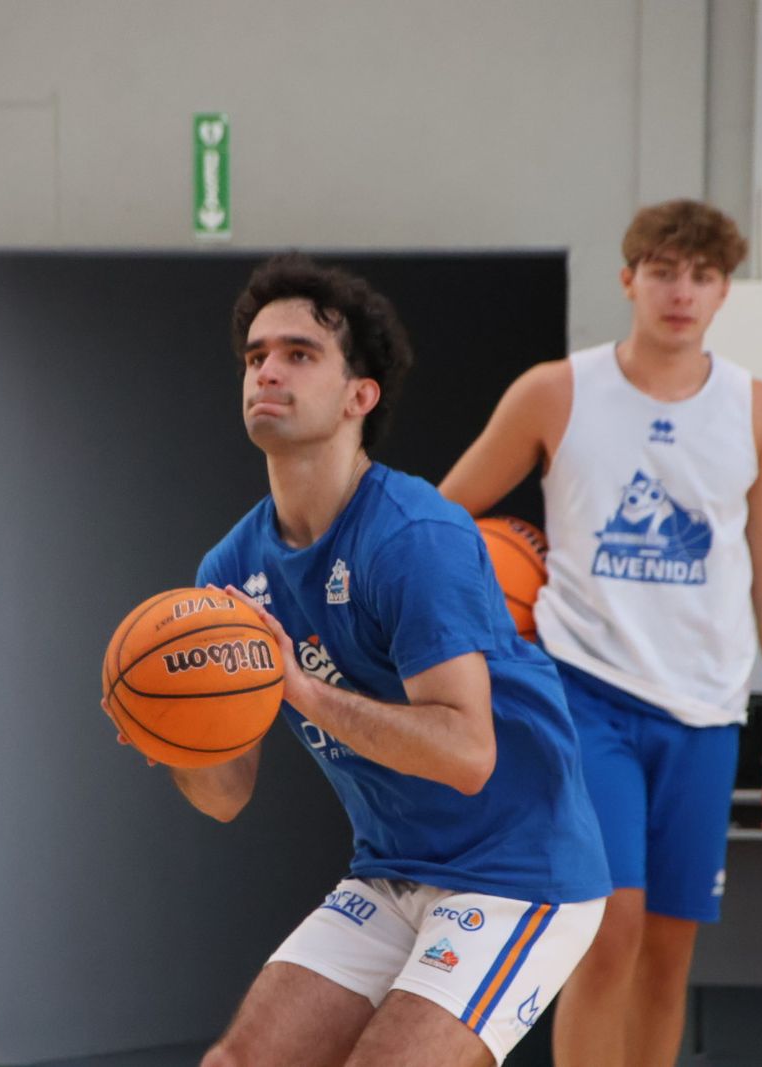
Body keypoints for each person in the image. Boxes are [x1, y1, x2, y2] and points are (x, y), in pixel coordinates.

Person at [111, 252, 611, 1067]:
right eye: (256, 355)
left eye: (299, 354)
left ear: (358, 396)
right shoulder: (229, 574)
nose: (268, 370)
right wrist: (174, 735)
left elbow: (467, 753)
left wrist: (299, 689)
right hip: (392, 871)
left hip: (519, 875)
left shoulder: (415, 536)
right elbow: (227, 795)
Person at [438, 199, 762, 1067]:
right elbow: (440, 517)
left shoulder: (756, 408)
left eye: (702, 276)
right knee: (610, 927)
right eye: (664, 271)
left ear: (725, 291)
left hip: (706, 706)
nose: (682, 291)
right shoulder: (556, 391)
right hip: (585, 691)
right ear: (628, 279)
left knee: (670, 946)